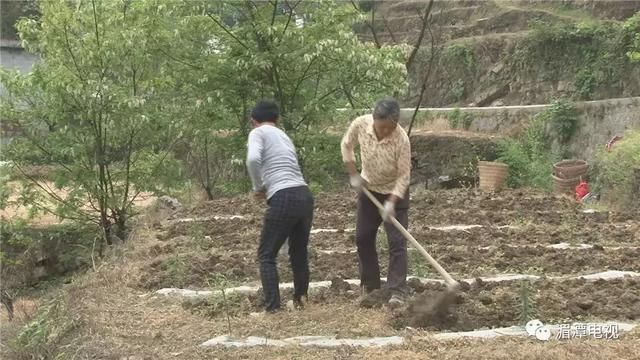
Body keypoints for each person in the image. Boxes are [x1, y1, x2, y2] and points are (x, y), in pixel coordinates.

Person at [340, 97, 411, 307]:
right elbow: (346, 145)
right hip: (369, 190)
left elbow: (404, 176)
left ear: (396, 123)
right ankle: (371, 287)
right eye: (382, 127)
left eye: (389, 128)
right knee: (363, 238)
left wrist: (392, 202)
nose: (385, 132)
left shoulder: (402, 140)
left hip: (394, 194)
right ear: (374, 120)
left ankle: (397, 290)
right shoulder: (361, 125)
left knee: (397, 242)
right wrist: (353, 174)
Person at [246, 99, 315, 313]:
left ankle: (273, 308)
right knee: (298, 252)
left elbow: (253, 160)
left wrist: (259, 187)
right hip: (304, 195)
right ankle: (300, 300)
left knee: (266, 255)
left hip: (283, 195)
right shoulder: (284, 136)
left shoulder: (258, 132)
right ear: (277, 119)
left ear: (253, 121)